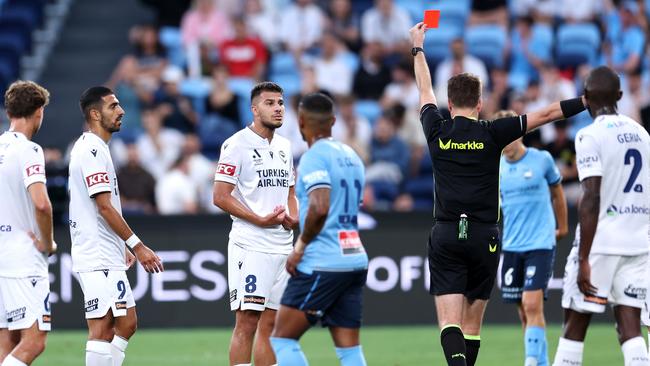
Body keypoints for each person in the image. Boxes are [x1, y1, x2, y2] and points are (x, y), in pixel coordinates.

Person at [409, 22, 588, 366]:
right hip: (485, 236)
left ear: (449, 103)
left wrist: (417, 47)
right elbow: (548, 113)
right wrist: (584, 99)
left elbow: (424, 89)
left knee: (449, 323)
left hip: (446, 232)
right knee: (472, 325)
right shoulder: (494, 132)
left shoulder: (435, 127)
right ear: (480, 103)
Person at [552, 66, 650, 365]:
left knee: (575, 325)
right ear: (619, 96)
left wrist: (583, 257)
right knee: (631, 327)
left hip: (602, 243)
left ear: (585, 97)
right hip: (638, 244)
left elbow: (591, 196)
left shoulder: (589, 136)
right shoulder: (642, 134)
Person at [69, 86, 164, 366]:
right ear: (95, 114)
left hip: (107, 250)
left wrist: (120, 243)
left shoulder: (100, 148)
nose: (121, 111)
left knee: (127, 323)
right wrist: (137, 244)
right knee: (101, 329)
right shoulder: (91, 151)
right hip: (96, 253)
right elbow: (104, 206)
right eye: (114, 106)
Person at [270, 92, 368, 365]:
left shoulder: (313, 157)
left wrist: (300, 247)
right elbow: (339, 209)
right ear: (333, 121)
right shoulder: (352, 155)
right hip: (354, 259)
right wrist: (302, 220)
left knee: (282, 339)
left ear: (301, 121)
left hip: (322, 262)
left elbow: (322, 206)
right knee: (349, 350)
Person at [213, 82, 298, 366]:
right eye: (270, 103)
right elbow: (220, 196)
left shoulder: (285, 146)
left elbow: (290, 192)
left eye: (281, 103)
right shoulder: (236, 144)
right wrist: (259, 219)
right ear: (254, 109)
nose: (278, 108)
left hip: (282, 246)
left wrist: (293, 218)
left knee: (272, 326)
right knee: (247, 321)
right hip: (251, 244)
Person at [497, 110, 569, 366]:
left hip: (540, 242)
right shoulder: (496, 167)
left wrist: (562, 227)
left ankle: (529, 362)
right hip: (512, 245)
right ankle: (542, 362)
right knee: (524, 312)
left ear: (519, 134)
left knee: (531, 304)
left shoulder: (542, 160)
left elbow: (558, 193)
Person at [0, 81, 55, 366]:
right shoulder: (29, 150)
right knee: (33, 341)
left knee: (6, 343)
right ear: (38, 111)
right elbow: (42, 204)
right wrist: (48, 243)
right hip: (23, 259)